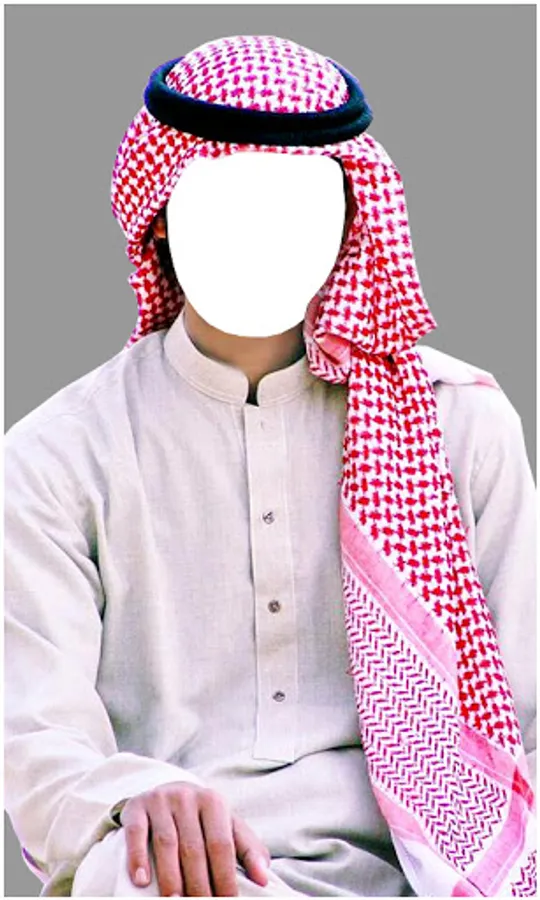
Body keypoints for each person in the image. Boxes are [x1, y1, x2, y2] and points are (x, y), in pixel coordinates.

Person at [4, 34, 536, 899]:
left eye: (296, 209)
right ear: (160, 215)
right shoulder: (57, 458)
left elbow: (529, 711)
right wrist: (134, 796)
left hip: (437, 870)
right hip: (188, 878)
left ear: (350, 222)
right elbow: (34, 739)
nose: (261, 238)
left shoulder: (458, 424)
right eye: (227, 205)